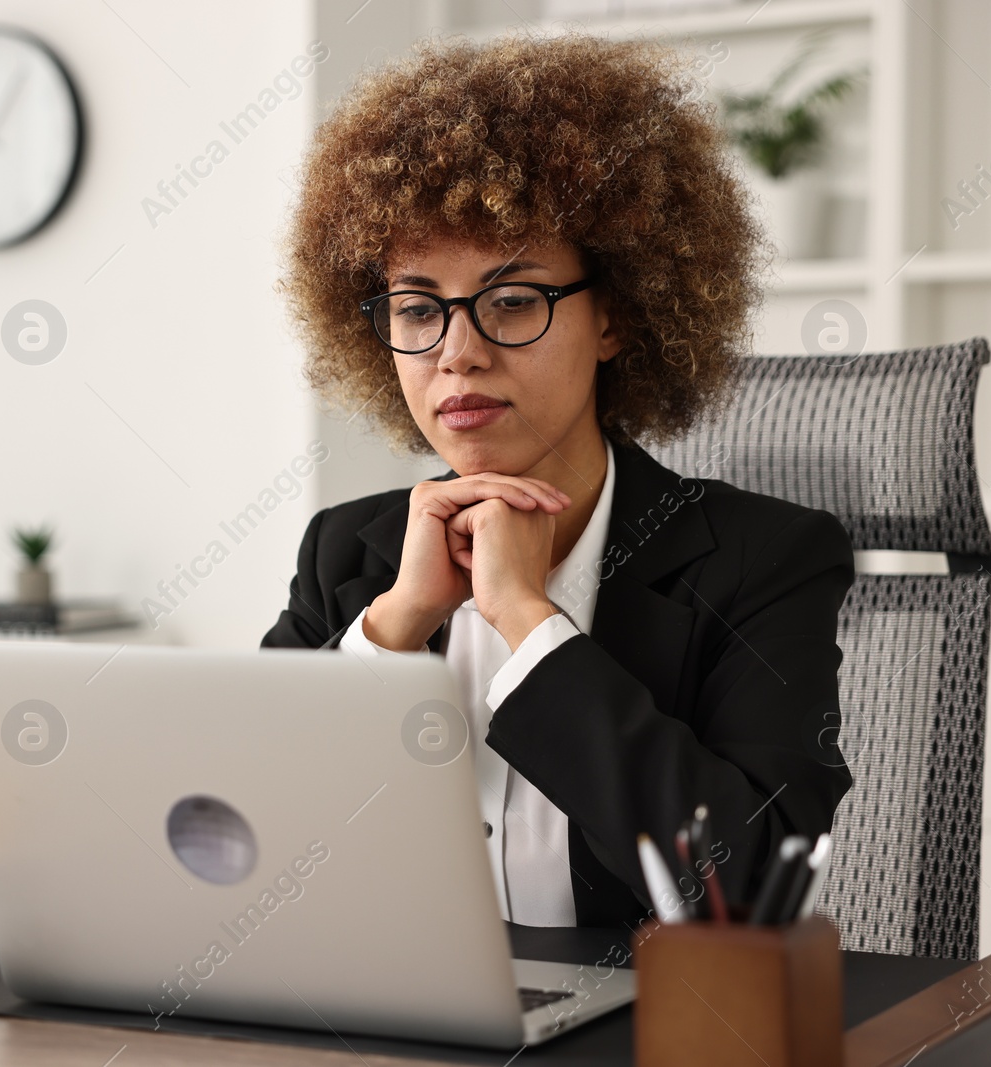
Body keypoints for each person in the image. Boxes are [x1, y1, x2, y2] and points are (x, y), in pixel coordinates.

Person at [261, 33, 854, 928]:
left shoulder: (760, 561)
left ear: (614, 317)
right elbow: (245, 844)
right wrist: (392, 629)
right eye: (418, 308)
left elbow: (752, 888)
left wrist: (530, 627)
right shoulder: (347, 555)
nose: (457, 352)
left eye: (510, 301)